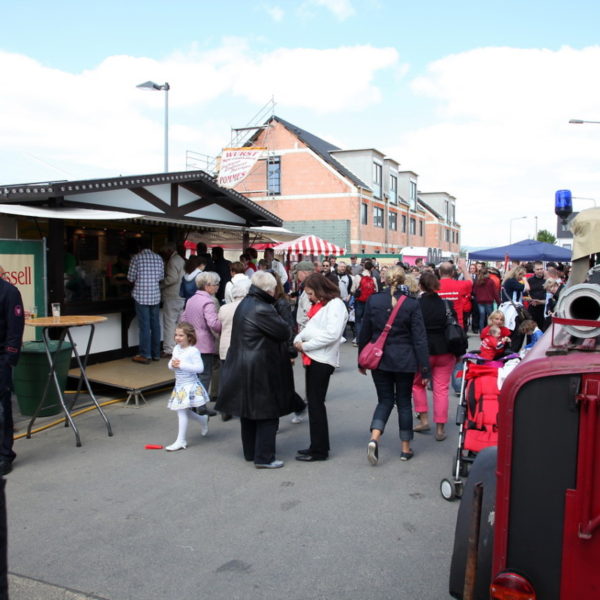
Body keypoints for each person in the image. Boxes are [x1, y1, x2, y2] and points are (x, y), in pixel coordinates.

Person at [216, 271, 296, 469]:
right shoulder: (262, 308)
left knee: (248, 412)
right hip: (260, 367)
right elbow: (284, 330)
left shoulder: (247, 303)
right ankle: (264, 457)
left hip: (243, 364)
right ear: (269, 289)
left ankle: (251, 453)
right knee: (267, 412)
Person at [359, 266, 430, 464]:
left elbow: (365, 331)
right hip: (405, 360)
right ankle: (405, 449)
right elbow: (419, 339)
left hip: (380, 359)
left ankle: (374, 438)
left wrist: (361, 360)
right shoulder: (411, 304)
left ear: (385, 280)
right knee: (404, 403)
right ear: (404, 281)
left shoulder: (374, 300)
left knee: (384, 401)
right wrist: (425, 368)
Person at [293, 273, 348, 462]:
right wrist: (299, 340)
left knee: (316, 405)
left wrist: (305, 344)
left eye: (310, 293)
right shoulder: (329, 305)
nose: (309, 297)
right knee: (315, 405)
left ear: (319, 289)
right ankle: (316, 446)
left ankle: (319, 449)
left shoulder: (335, 305)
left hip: (321, 360)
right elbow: (314, 329)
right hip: (317, 357)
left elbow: (331, 334)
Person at [410, 271, 455, 443]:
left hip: (422, 351)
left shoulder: (416, 304)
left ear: (420, 286)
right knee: (442, 389)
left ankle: (424, 420)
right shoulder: (446, 304)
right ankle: (440, 428)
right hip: (444, 349)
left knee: (417, 384)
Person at [165, 322, 210, 451]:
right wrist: (172, 365)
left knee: (181, 412)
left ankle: (181, 440)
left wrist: (181, 365)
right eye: (176, 335)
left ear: (189, 337)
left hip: (189, 385)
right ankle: (202, 419)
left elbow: (200, 368)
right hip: (179, 385)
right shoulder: (176, 349)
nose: (177, 338)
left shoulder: (193, 351)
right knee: (183, 411)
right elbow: (170, 364)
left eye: (181, 335)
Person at [181, 271, 222, 411]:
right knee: (205, 374)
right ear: (208, 286)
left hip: (192, 342)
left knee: (195, 375)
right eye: (216, 284)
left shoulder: (191, 300)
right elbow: (213, 323)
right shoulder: (208, 302)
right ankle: (201, 406)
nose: (218, 287)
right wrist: (224, 327)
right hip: (205, 343)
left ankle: (193, 403)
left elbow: (183, 320)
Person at [0, 272, 25, 475]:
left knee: (1, 409)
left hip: (1, 358)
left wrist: (9, 359)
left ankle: (4, 456)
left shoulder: (9, 292)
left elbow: (15, 330)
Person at [127, 239, 164, 364]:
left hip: (141, 296)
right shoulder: (158, 258)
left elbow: (130, 278)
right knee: (155, 325)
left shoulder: (136, 258)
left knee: (144, 327)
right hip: (155, 295)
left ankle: (145, 354)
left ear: (139, 247)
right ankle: (156, 354)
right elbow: (161, 277)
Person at [160, 242, 185, 358]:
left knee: (169, 324)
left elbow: (172, 278)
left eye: (164, 253)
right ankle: (179, 347)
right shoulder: (181, 259)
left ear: (169, 251)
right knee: (179, 324)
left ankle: (169, 349)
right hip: (181, 295)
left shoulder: (172, 261)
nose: (163, 255)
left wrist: (160, 284)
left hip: (172, 296)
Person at [437, 260, 472, 330]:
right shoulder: (460, 285)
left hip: (438, 323)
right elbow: (470, 282)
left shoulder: (433, 285)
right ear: (453, 272)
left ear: (439, 272)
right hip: (457, 323)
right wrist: (464, 269)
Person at [472, 267, 500, 333]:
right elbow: (494, 292)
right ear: (487, 273)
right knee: (490, 317)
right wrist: (498, 301)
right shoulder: (490, 281)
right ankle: (491, 331)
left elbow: (474, 292)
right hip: (488, 301)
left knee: (482, 317)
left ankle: (482, 332)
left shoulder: (477, 281)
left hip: (480, 301)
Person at [293, 261, 315, 331]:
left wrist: (303, 331)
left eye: (297, 273)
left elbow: (308, 312)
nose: (296, 275)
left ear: (304, 273)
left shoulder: (309, 288)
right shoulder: (310, 284)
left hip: (307, 329)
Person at [527, 261, 547, 330]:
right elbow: (525, 295)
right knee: (532, 330)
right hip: (533, 308)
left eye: (541, 269)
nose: (540, 271)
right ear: (534, 270)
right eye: (538, 269)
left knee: (543, 330)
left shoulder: (547, 280)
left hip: (544, 309)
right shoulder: (529, 280)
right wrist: (530, 300)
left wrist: (541, 301)